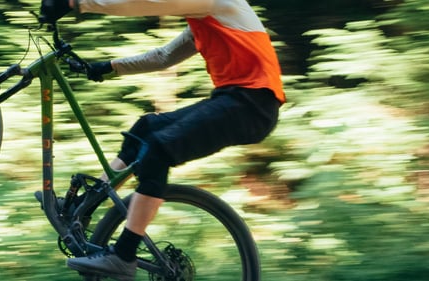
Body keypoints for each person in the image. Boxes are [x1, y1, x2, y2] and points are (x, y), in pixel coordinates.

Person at [40, 0, 285, 280]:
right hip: (233, 101)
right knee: (146, 128)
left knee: (158, 149)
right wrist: (106, 68)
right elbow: (164, 56)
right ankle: (81, 208)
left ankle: (124, 255)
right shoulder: (203, 17)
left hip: (252, 106)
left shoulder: (216, 2)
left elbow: (145, 3)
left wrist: (75, 3)